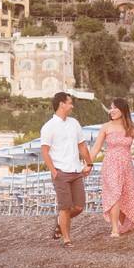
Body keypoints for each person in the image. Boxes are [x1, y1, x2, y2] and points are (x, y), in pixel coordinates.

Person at [41, 91, 93, 248]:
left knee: (78, 207)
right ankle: (67, 239)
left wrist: (89, 163)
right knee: (64, 207)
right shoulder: (48, 127)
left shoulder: (74, 123)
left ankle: (60, 223)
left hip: (76, 171)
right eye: (69, 103)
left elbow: (82, 146)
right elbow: (45, 151)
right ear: (61, 104)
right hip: (60, 172)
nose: (72, 105)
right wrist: (53, 171)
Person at [90, 98, 134, 237]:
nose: (111, 110)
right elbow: (96, 148)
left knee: (125, 195)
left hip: (126, 165)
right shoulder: (106, 127)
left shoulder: (132, 127)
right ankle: (114, 229)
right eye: (110, 107)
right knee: (114, 194)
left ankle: (123, 224)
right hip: (110, 164)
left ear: (123, 110)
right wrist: (87, 164)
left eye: (115, 108)